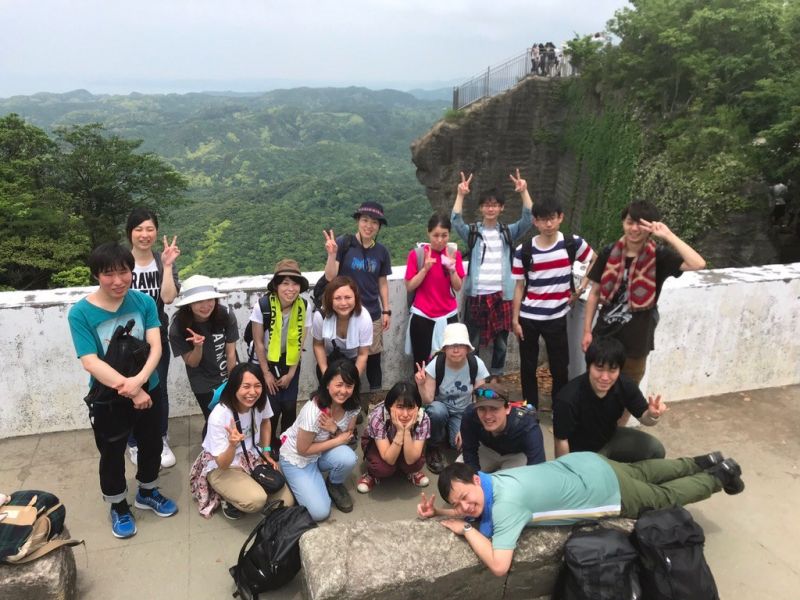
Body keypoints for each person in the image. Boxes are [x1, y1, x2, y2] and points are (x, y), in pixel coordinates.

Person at [420, 451, 744, 576]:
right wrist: (440, 512)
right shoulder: (495, 481)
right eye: (458, 504)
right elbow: (478, 509)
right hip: (587, 462)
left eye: (464, 498)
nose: (464, 508)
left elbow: (499, 565)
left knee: (663, 497)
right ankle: (704, 461)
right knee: (644, 470)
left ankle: (719, 476)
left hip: (602, 490)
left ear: (476, 480)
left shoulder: (507, 505)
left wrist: (465, 529)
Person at [68, 242, 178, 539]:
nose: (117, 280)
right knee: (112, 453)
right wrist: (131, 389)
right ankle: (118, 505)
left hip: (148, 388)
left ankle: (147, 491)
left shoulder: (143, 302)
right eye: (108, 274)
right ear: (96, 275)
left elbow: (156, 345)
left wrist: (140, 382)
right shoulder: (81, 313)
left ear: (132, 271)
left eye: (123, 272)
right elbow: (90, 362)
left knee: (152, 444)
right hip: (108, 397)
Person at [582, 201, 706, 387]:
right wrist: (586, 332)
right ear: (623, 223)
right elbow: (594, 294)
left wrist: (668, 235)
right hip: (603, 337)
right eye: (629, 222)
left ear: (651, 227)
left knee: (628, 392)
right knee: (596, 389)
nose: (634, 229)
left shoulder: (659, 257)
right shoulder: (608, 252)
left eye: (640, 224)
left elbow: (698, 264)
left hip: (636, 343)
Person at [511, 199, 594, 409]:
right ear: (535, 222)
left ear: (560, 218)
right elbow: (519, 286)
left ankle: (560, 408)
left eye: (552, 219)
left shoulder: (572, 243)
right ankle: (530, 409)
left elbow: (595, 260)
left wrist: (581, 288)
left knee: (559, 367)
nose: (548, 224)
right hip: (529, 317)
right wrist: (515, 320)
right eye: (543, 220)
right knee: (528, 367)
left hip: (557, 316)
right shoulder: (524, 250)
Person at [451, 170, 533, 379]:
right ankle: (475, 376)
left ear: (501, 208)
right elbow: (456, 221)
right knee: (473, 341)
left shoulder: (507, 232)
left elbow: (528, 219)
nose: (490, 208)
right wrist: (460, 194)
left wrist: (523, 192)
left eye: (495, 204)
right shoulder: (473, 232)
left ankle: (496, 376)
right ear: (481, 208)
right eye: (487, 205)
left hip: (502, 296)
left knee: (501, 343)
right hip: (477, 295)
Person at [189, 363, 294, 520]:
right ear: (234, 387)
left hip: (251, 457)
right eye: (246, 386)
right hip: (223, 465)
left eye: (257, 386)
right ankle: (226, 498)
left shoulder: (260, 400)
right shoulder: (219, 416)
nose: (252, 392)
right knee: (256, 501)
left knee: (286, 502)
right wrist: (232, 444)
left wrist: (266, 453)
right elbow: (222, 464)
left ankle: (247, 487)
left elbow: (266, 421)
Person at [125, 207, 181, 468]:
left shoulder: (161, 261)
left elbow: (168, 298)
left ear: (156, 232)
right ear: (130, 233)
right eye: (139, 229)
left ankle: (160, 437)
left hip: (157, 336)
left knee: (159, 389)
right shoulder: (122, 261)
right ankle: (134, 442)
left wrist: (167, 266)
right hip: (126, 340)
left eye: (150, 229)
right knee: (129, 389)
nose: (144, 234)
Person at [553, 338, 668, 462]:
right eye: (599, 369)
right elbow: (561, 440)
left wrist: (652, 415)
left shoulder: (625, 385)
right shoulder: (567, 398)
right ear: (589, 367)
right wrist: (566, 469)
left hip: (609, 438)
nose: (605, 377)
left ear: (619, 370)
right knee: (599, 472)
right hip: (582, 453)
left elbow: (644, 418)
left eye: (612, 370)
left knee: (656, 450)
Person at [323, 201, 393, 400]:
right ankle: (345, 397)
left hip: (372, 312)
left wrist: (386, 310)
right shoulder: (344, 244)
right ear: (358, 221)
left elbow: (382, 282)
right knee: (345, 357)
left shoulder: (381, 252)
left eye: (374, 222)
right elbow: (330, 277)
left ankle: (375, 400)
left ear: (379, 226)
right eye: (365, 220)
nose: (369, 226)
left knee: (373, 357)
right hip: (345, 312)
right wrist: (331, 255)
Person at [278, 360, 361, 521]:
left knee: (348, 457)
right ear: (328, 384)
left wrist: (334, 428)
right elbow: (303, 449)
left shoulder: (353, 405)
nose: (343, 391)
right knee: (320, 512)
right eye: (339, 385)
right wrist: (337, 440)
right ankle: (288, 474)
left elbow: (348, 436)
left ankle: (334, 484)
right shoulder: (313, 411)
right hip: (298, 458)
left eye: (349, 386)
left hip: (320, 453)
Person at [249, 259, 311, 455]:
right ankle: (269, 443)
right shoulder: (263, 306)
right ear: (276, 286)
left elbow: (300, 342)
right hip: (266, 359)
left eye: (295, 283)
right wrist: (266, 373)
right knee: (272, 406)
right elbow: (258, 343)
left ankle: (287, 441)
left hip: (290, 359)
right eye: (285, 283)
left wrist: (291, 373)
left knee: (289, 405)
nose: (291, 289)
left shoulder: (304, 306)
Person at [168, 275, 239, 435]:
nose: (206, 306)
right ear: (188, 304)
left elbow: (230, 353)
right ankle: (210, 448)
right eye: (199, 301)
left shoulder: (225, 315)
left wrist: (233, 382)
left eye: (210, 299)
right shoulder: (178, 327)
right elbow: (192, 363)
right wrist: (198, 347)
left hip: (228, 373)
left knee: (233, 417)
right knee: (214, 420)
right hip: (203, 382)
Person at [415, 323, 489, 474]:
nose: (456, 350)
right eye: (451, 346)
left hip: (464, 412)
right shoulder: (437, 364)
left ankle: (448, 434)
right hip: (441, 408)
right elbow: (428, 400)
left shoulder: (476, 364)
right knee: (436, 411)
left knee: (460, 444)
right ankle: (433, 447)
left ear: (467, 348)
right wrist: (421, 385)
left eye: (460, 345)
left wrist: (468, 426)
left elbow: (480, 401)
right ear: (444, 348)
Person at [405, 213, 465, 369]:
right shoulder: (417, 255)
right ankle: (422, 386)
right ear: (428, 233)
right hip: (423, 316)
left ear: (449, 234)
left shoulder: (454, 255)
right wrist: (425, 269)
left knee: (449, 362)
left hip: (449, 316)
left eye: (444, 235)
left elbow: (458, 287)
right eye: (436, 235)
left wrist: (452, 269)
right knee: (421, 364)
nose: (440, 240)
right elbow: (409, 286)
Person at [357, 382, 431, 493]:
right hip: (378, 446)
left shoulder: (423, 418)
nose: (405, 414)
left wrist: (406, 432)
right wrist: (400, 431)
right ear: (390, 406)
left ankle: (411, 471)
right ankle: (371, 474)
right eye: (400, 407)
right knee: (383, 468)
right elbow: (389, 459)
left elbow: (411, 459)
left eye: (410, 407)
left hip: (406, 445)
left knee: (416, 463)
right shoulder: (378, 416)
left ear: (418, 407)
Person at [459, 382, 545, 472]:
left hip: (516, 455)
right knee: (459, 474)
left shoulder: (527, 425)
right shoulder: (470, 414)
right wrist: (474, 475)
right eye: (482, 409)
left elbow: (537, 468)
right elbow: (469, 450)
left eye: (494, 408)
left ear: (507, 408)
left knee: (519, 479)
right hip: (486, 450)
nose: (487, 416)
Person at [311, 275, 373, 380]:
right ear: (330, 299)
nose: (343, 303)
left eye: (348, 297)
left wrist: (352, 381)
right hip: (329, 361)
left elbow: (363, 354)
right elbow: (318, 345)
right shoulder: (321, 316)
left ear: (355, 298)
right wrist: (326, 375)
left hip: (353, 362)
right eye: (337, 298)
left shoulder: (364, 317)